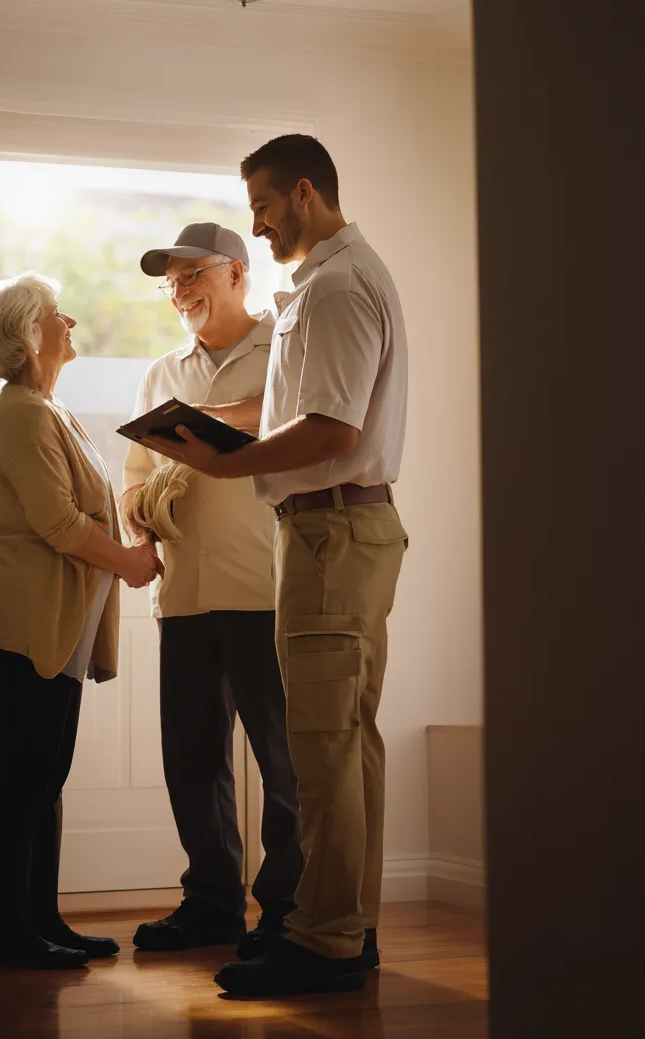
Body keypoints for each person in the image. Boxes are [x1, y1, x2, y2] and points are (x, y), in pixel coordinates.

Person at [140, 136, 409, 997]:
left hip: (330, 532)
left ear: (303, 193)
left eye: (261, 203)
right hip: (333, 533)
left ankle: (325, 938)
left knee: (322, 751)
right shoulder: (331, 283)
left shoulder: (333, 286)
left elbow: (333, 430)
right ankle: (339, 928)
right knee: (342, 746)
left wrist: (220, 463)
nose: (255, 223)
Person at [0, 271, 162, 969]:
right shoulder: (21, 411)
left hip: (54, 626)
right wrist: (129, 564)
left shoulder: (45, 407)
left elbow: (85, 511)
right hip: (25, 622)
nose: (70, 320)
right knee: (20, 776)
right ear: (26, 336)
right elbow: (57, 522)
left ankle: (35, 919)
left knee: (41, 776)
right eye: (55, 314)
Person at [122, 222, 303, 955]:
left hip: (267, 589)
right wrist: (140, 523)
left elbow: (303, 433)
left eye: (192, 275)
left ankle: (291, 911)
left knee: (284, 761)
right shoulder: (160, 373)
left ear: (236, 273)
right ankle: (212, 904)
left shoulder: (286, 351)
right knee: (192, 759)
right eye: (170, 282)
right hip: (187, 599)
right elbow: (133, 480)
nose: (179, 291)